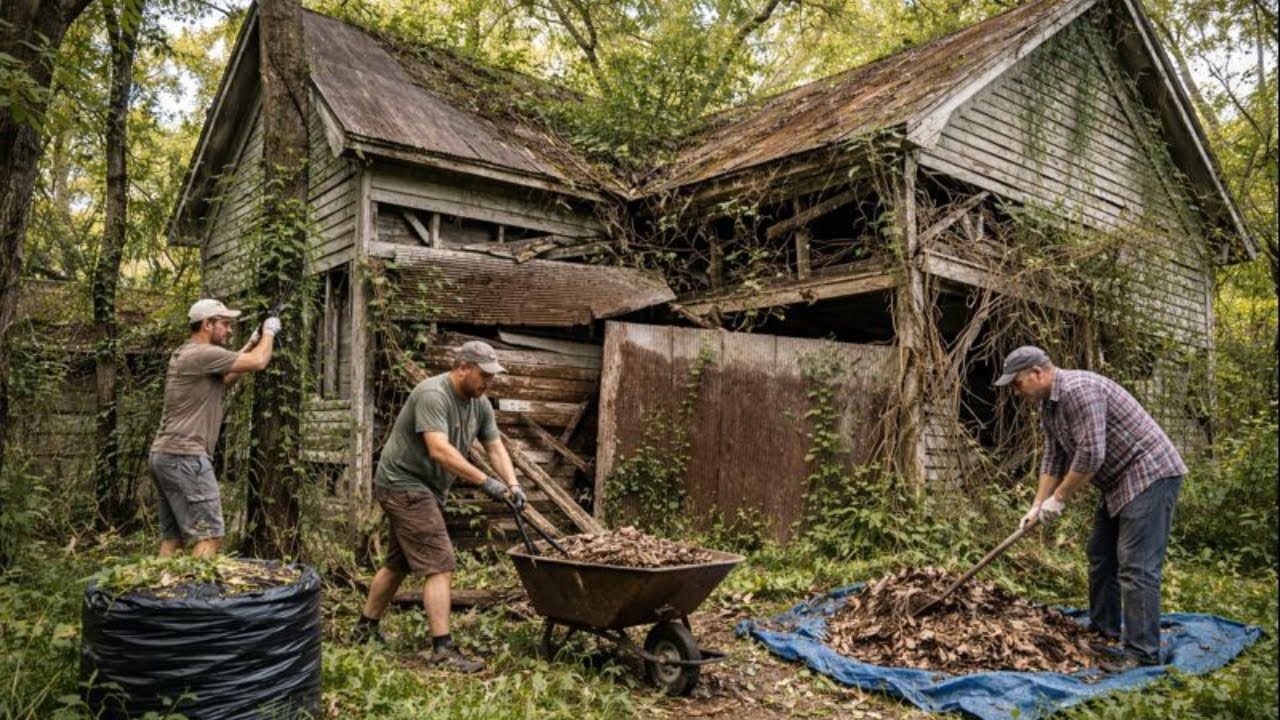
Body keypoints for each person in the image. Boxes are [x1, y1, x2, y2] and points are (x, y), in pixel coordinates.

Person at [995, 345, 1186, 672]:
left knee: (1136, 566)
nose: (1015, 391)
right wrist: (1038, 503)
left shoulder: (1080, 391)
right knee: (1100, 553)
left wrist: (1060, 498)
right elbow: (1053, 458)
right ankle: (1104, 631)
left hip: (1151, 474)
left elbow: (1092, 456)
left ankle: (1142, 653)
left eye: (1016, 383)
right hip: (1118, 484)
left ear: (1038, 373)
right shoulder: (1048, 408)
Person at [353, 340, 527, 673]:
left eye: (492, 376)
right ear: (462, 367)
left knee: (398, 563)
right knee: (440, 563)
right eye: (484, 375)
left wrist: (513, 484)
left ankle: (365, 628)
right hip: (403, 484)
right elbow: (440, 450)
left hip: (427, 489)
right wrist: (486, 482)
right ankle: (442, 650)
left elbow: (495, 447)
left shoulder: (480, 404)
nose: (489, 382)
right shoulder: (432, 394)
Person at [149, 298, 280, 558]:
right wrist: (268, 333)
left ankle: (163, 595)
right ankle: (197, 596)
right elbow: (258, 362)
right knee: (210, 535)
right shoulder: (201, 354)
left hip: (165, 456)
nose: (230, 330)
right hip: (185, 457)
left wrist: (252, 342)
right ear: (207, 325)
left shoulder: (189, 353)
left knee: (173, 538)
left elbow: (225, 379)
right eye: (225, 324)